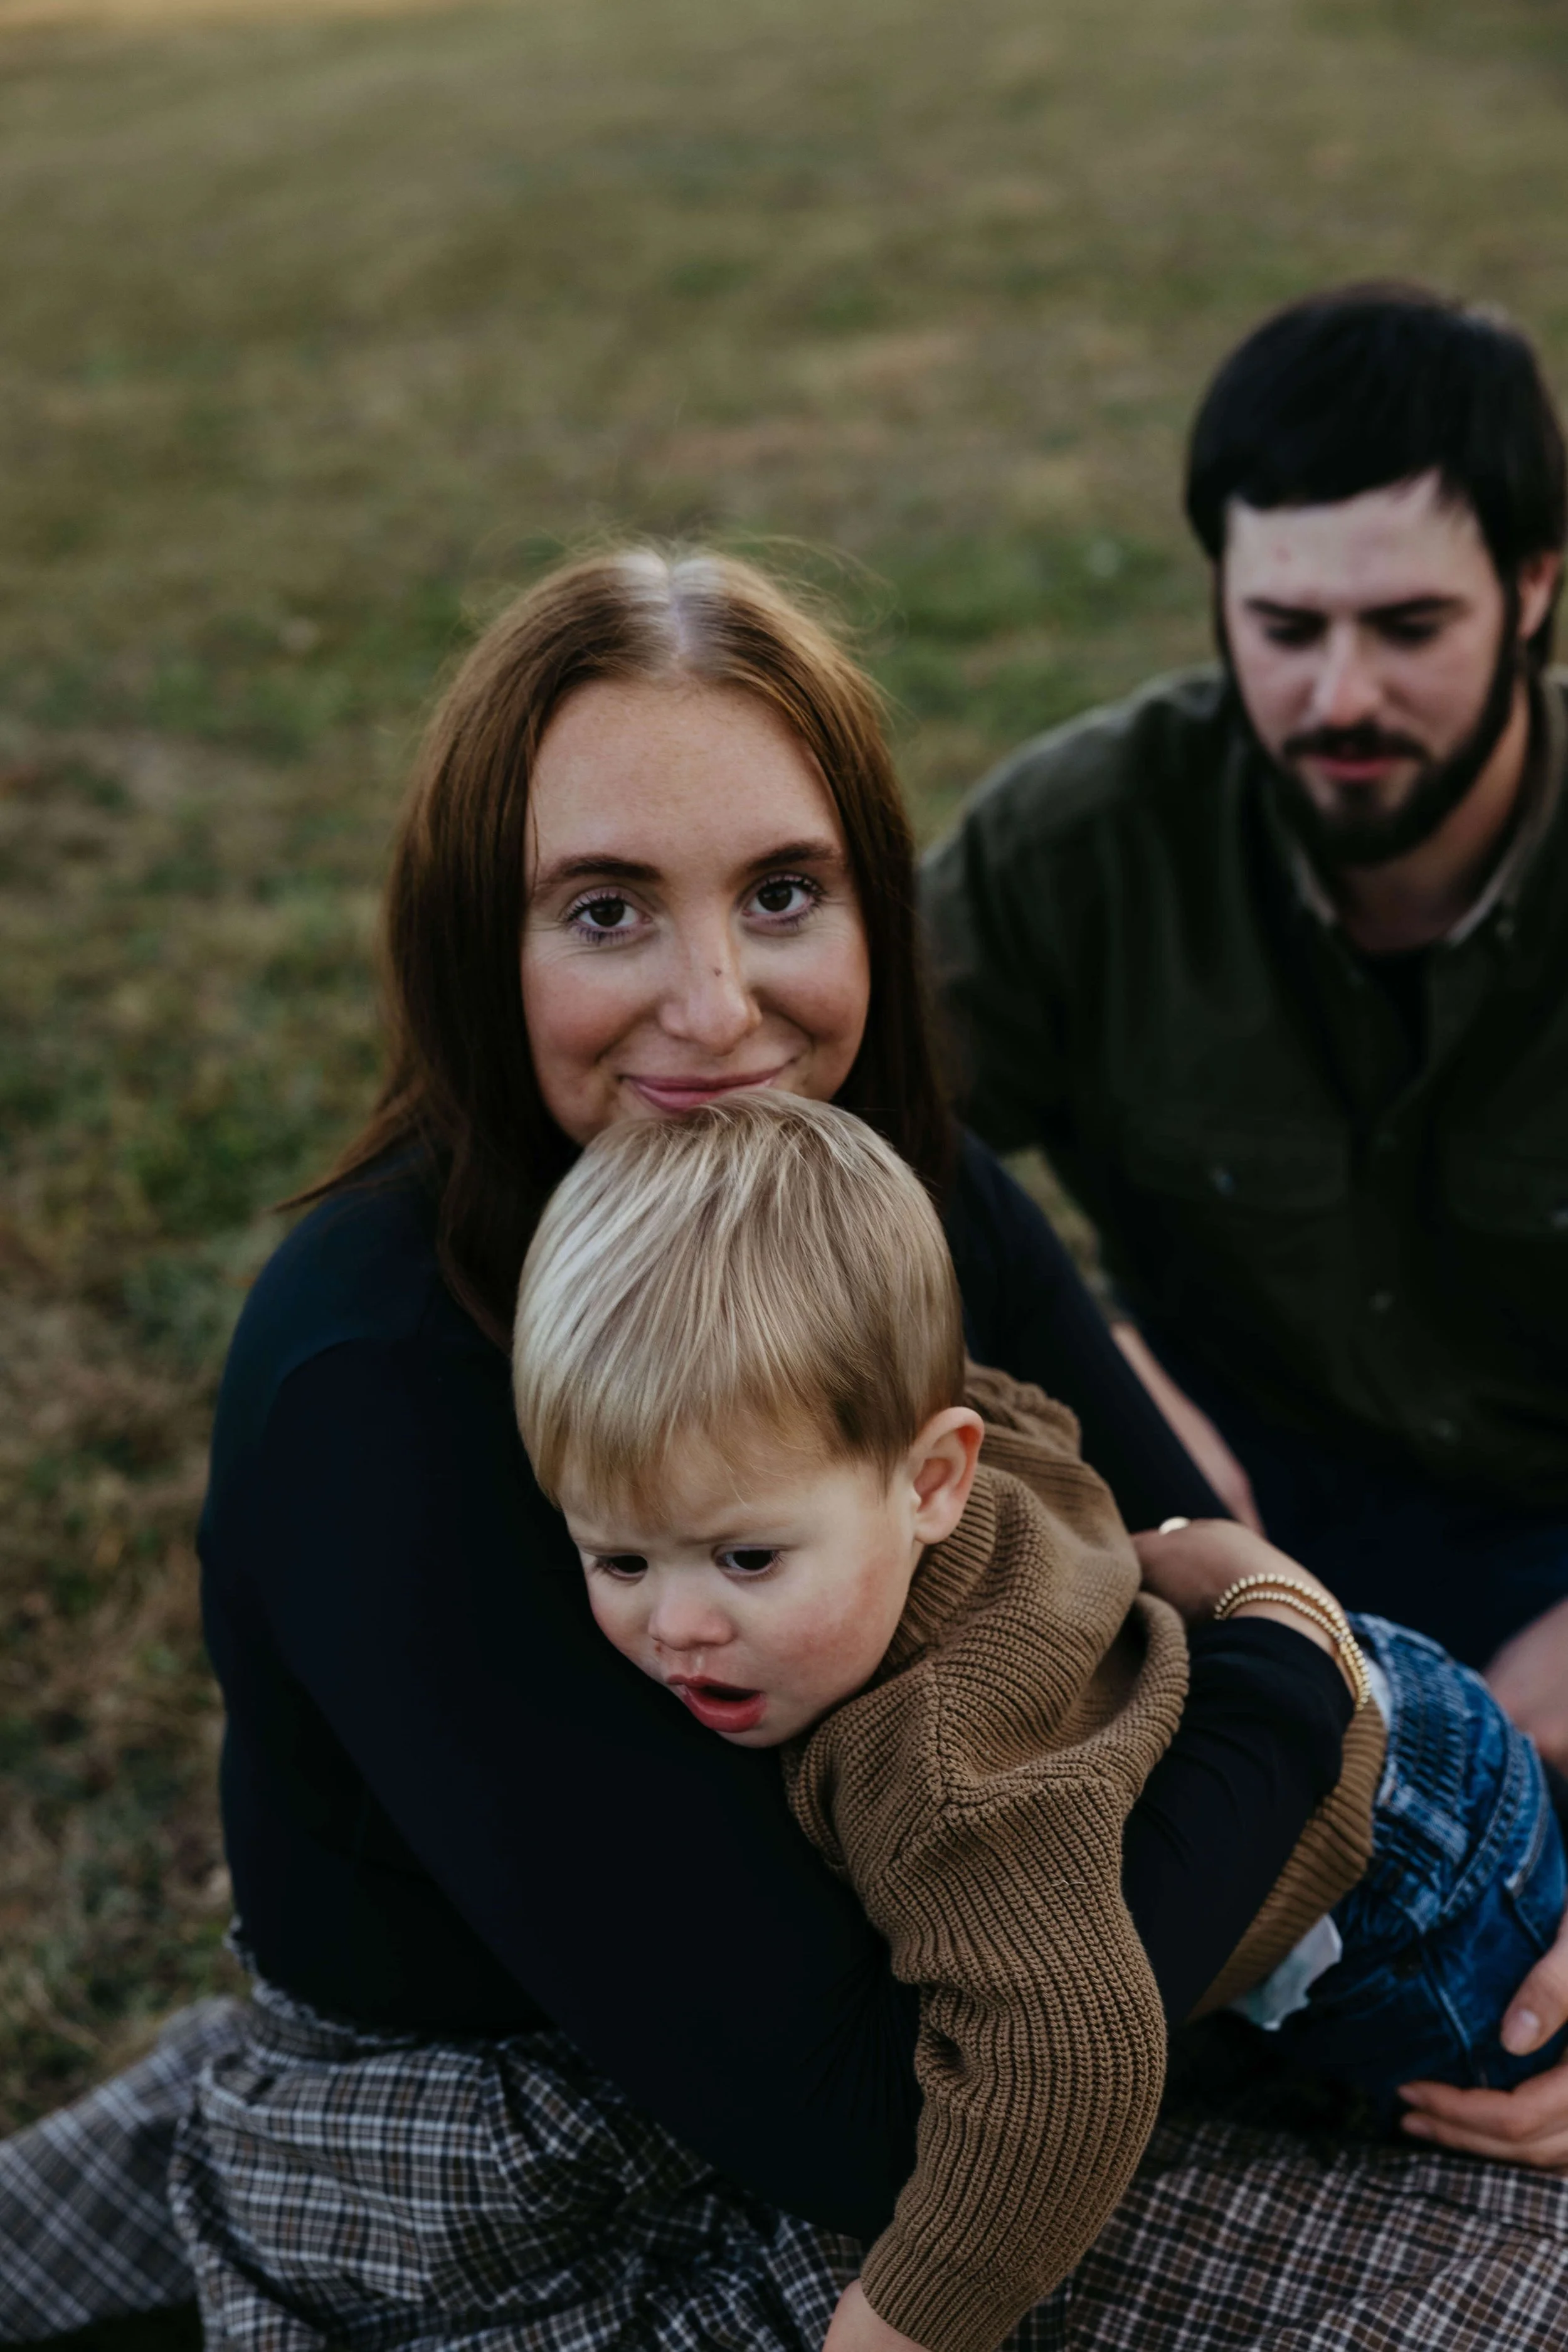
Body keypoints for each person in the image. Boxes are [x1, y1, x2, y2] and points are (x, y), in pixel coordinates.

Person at [0, 549, 1367, 2346]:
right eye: (607, 909)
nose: (719, 1009)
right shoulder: (380, 1382)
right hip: (526, 2162)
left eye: (783, 891)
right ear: (479, 944)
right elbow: (871, 2116)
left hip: (974, 1980)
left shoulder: (880, 1174)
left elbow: (1165, 1526)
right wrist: (1296, 1692)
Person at [512, 1086, 1567, 2352]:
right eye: (619, 1562)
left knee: (1506, 2130)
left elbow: (1066, 2063)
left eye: (743, 1560)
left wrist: (904, 2324)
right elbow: (1042, 1428)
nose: (675, 1625)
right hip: (1385, 1715)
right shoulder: (937, 1452)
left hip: (1414, 1895)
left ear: (931, 1481)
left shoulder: (941, 1761)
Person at [923, 287, 1568, 2168]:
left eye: (1408, 627)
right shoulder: (1080, 841)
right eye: (1281, 627)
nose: (1337, 694)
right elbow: (846, 1158)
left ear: (1535, 585)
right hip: (1207, 1518)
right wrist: (1118, 1415)